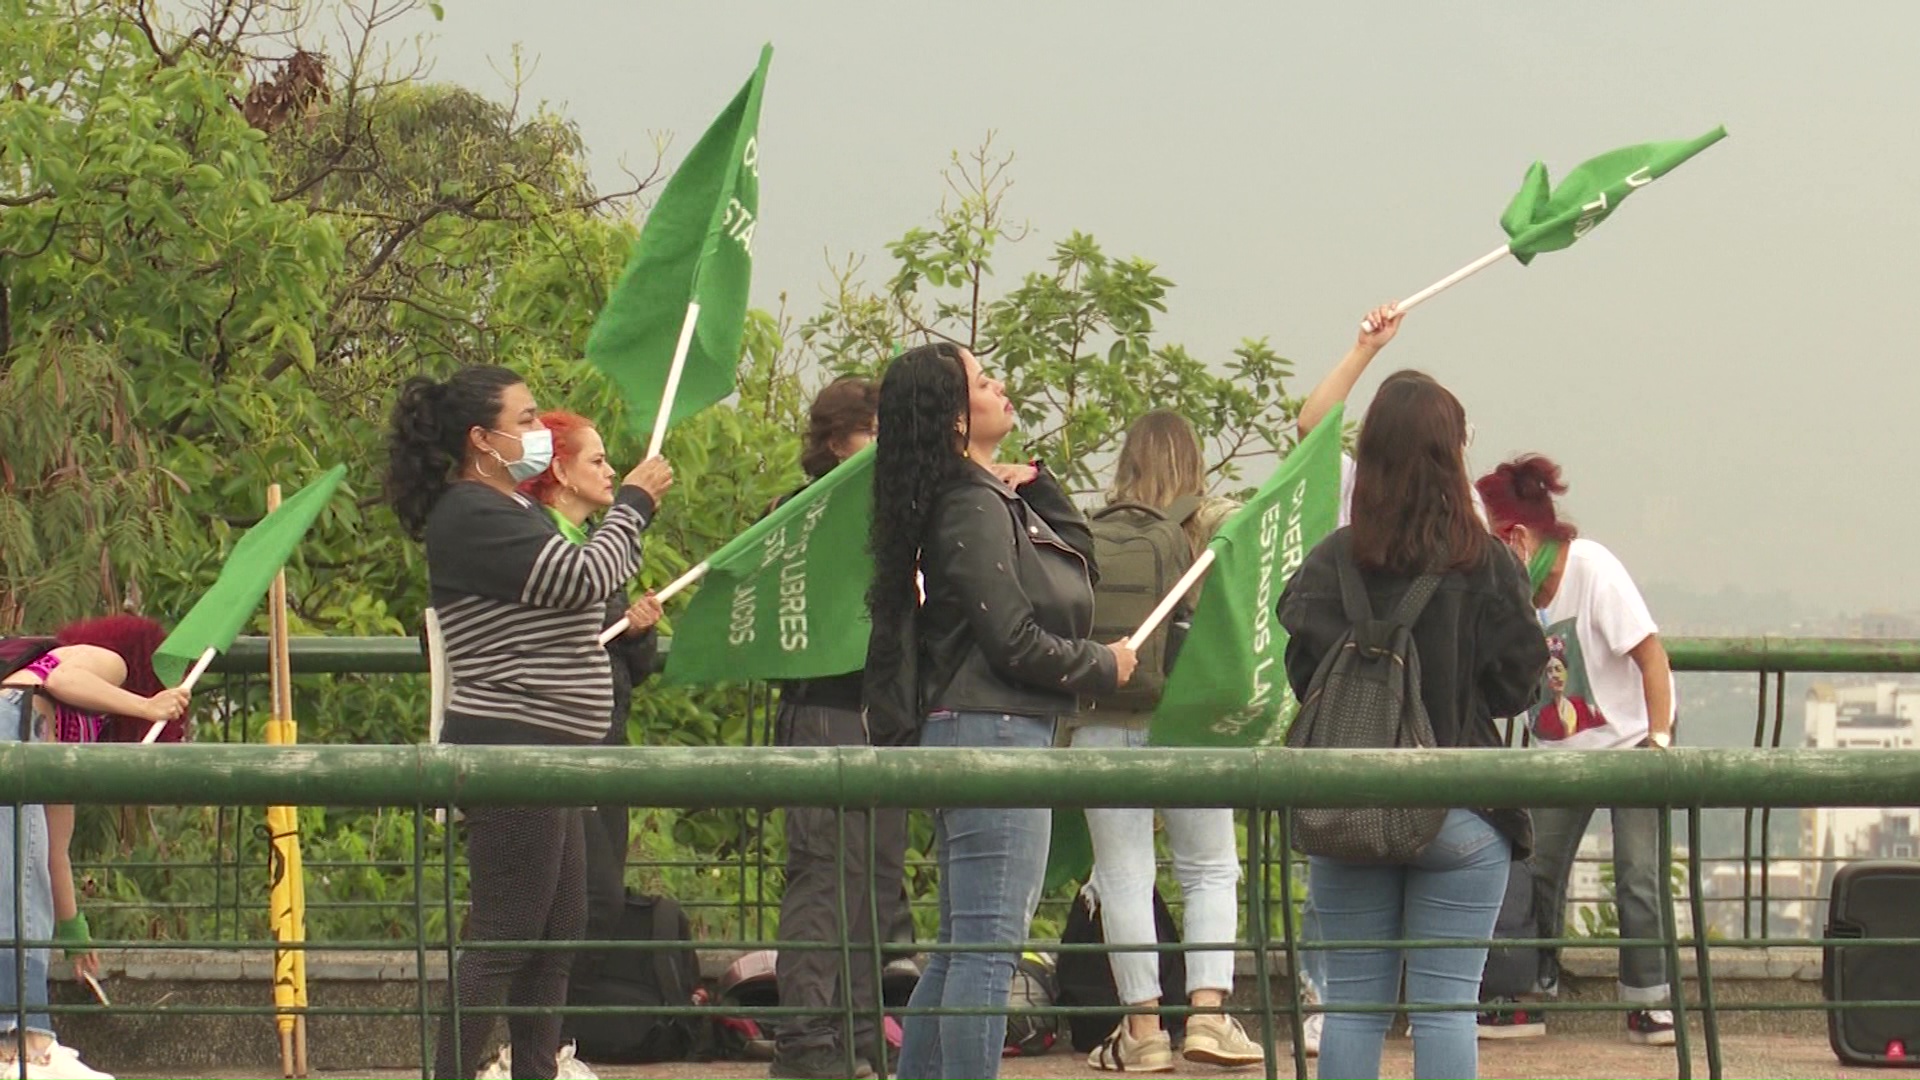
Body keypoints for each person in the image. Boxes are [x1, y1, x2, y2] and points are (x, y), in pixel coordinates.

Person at [385, 364, 672, 1080]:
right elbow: (580, 578)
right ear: (481, 439)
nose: (539, 431)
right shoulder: (470, 512)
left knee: (556, 934)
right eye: (525, 418)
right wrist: (633, 504)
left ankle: (534, 1071)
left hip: (551, 754)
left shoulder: (512, 509)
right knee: (506, 936)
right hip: (514, 747)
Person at [863, 343, 1137, 1080]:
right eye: (983, 382)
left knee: (962, 945)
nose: (1001, 386)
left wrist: (1040, 486)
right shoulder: (970, 505)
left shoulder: (977, 497)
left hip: (978, 728)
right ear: (955, 419)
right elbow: (1012, 638)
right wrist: (1101, 667)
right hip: (996, 730)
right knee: (986, 946)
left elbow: (1073, 559)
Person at [1278, 370, 1547, 1080]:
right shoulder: (1482, 561)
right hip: (1458, 807)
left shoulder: (1333, 558)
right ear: (1450, 456)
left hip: (1348, 803)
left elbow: (1304, 674)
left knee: (1355, 1008)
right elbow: (1517, 685)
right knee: (1445, 1009)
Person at [1060, 410, 1262, 1072]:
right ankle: (1207, 1016)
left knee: (1122, 873)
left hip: (1100, 712)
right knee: (1207, 866)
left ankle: (1142, 1030)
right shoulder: (1207, 523)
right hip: (1185, 720)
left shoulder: (1093, 532)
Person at [1475, 455, 1679, 1047]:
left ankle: (1649, 1000)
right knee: (1538, 866)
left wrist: (1659, 743)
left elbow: (1652, 658)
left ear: (1515, 536)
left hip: (1632, 737)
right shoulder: (1512, 592)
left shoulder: (1593, 570)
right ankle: (1529, 990)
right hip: (1563, 749)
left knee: (1638, 872)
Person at [765, 377, 912, 1080]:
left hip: (880, 716)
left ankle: (860, 1036)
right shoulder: (799, 516)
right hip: (824, 710)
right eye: (872, 431)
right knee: (824, 880)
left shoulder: (892, 517)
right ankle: (805, 1041)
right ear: (835, 441)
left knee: (874, 885)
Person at [2, 613, 188, 1080]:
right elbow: (62, 678)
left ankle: (25, 1042)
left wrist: (75, 934)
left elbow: (52, 855)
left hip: (21, 742)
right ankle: (23, 1045)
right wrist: (147, 708)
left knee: (23, 888)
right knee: (17, 896)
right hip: (10, 731)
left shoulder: (78, 729)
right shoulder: (110, 661)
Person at [516, 410, 665, 951]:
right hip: (559, 741)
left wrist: (637, 632)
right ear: (560, 469)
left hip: (606, 740)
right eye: (597, 460)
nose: (610, 471)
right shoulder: (538, 540)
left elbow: (630, 667)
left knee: (592, 904)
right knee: (584, 902)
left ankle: (553, 1032)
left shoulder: (594, 543)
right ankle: (541, 1030)